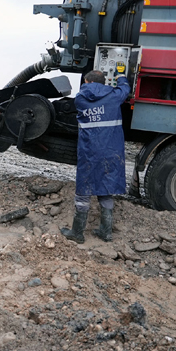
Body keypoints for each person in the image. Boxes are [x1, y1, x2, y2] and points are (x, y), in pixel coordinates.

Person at [61, 68, 130, 244]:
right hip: (111, 150)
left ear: (87, 82)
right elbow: (125, 89)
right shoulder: (115, 96)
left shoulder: (80, 99)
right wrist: (120, 75)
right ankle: (106, 232)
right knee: (106, 186)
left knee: (84, 188)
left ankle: (77, 232)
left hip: (89, 151)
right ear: (103, 82)